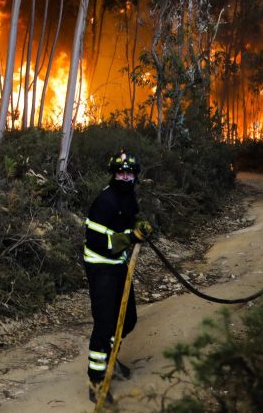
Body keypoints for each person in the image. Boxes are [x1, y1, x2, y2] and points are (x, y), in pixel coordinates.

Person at [83, 152, 154, 403]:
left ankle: (110, 360)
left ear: (135, 176)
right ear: (113, 174)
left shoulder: (128, 196)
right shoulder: (105, 200)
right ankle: (96, 382)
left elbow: (128, 221)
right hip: (100, 266)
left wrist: (140, 227)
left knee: (128, 319)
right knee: (104, 326)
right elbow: (96, 240)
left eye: (129, 173)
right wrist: (130, 238)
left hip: (118, 264)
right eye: (120, 173)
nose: (125, 177)